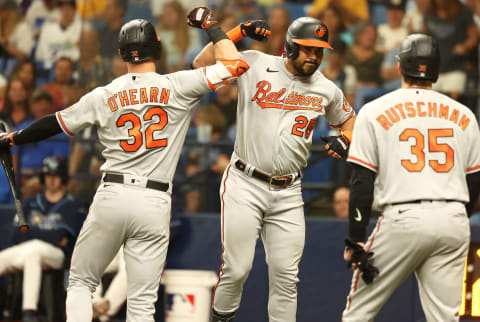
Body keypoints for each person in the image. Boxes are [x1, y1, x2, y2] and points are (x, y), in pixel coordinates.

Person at [0, 11, 249, 321]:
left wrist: (13, 138)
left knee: (80, 281)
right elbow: (235, 64)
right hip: (155, 200)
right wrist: (217, 27)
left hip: (112, 195)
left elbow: (56, 123)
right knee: (143, 301)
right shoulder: (178, 85)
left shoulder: (104, 93)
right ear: (157, 49)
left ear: (121, 54)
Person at [193, 16, 356, 322]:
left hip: (289, 191)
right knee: (237, 269)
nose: (314, 56)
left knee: (286, 276)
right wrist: (239, 31)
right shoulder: (254, 62)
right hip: (245, 181)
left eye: (319, 51)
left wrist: (346, 138)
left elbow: (349, 119)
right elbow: (201, 62)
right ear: (291, 45)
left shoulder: (326, 88)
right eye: (308, 49)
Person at [342, 34, 480, 321]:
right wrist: (455, 216)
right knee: (445, 318)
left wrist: (355, 240)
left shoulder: (375, 110)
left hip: (404, 217)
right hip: (453, 218)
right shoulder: (465, 115)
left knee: (359, 312)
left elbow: (362, 181)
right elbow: (474, 180)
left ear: (400, 65)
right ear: (436, 69)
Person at [0, 156, 87, 322]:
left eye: (56, 175)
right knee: (20, 254)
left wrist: (30, 231)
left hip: (58, 256)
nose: (52, 180)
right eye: (48, 175)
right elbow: (16, 234)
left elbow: (63, 238)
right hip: (27, 252)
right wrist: (48, 235)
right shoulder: (31, 202)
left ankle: (29, 312)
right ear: (43, 178)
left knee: (34, 251)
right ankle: (26, 312)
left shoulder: (74, 203)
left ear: (63, 178)